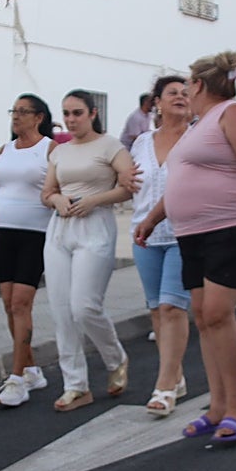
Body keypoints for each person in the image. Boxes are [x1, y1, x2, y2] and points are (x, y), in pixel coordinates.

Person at [137, 50, 236, 445]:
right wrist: (152, 218)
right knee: (202, 315)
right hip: (189, 232)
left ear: (198, 85)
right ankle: (216, 406)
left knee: (217, 313)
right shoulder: (198, 126)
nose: (184, 94)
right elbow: (180, 177)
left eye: (187, 86)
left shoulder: (233, 113)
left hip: (227, 228)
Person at [42, 89, 136, 412]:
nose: (71, 119)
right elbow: (48, 191)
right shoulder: (59, 151)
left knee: (84, 306)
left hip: (95, 227)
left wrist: (93, 200)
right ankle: (75, 386)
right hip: (59, 229)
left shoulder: (111, 146)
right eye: (66, 113)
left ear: (93, 114)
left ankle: (115, 358)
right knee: (61, 310)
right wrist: (57, 200)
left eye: (77, 113)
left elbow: (128, 187)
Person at [0, 94, 57, 407]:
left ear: (39, 117)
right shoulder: (4, 151)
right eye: (13, 111)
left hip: (35, 234)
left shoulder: (50, 149)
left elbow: (60, 190)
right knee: (8, 304)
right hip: (4, 234)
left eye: (22, 112)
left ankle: (16, 378)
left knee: (20, 303)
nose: (15, 117)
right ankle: (30, 368)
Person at [130, 76, 192, 417]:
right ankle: (176, 375)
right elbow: (132, 180)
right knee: (156, 309)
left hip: (184, 234)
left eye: (186, 93)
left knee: (173, 308)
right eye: (173, 93)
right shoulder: (141, 141)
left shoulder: (197, 139)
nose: (181, 97)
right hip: (144, 235)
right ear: (157, 101)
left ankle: (165, 387)